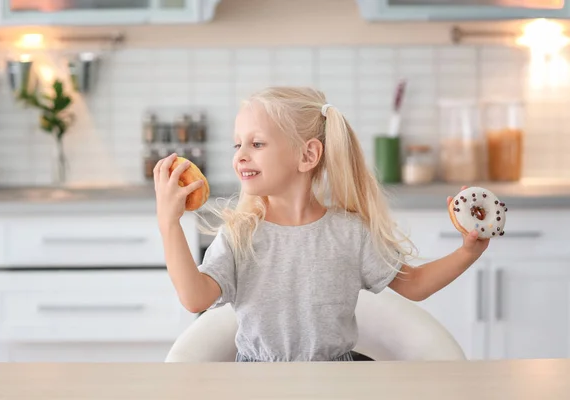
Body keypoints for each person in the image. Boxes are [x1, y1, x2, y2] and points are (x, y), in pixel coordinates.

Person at [153, 86, 489, 363]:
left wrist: (468, 251)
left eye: (256, 144)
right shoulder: (240, 236)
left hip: (335, 384)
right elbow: (194, 298)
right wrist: (169, 222)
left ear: (308, 156)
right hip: (256, 386)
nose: (240, 155)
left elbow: (414, 284)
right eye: (237, 144)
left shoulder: (350, 233)